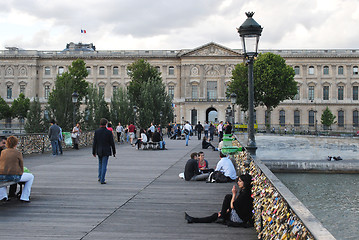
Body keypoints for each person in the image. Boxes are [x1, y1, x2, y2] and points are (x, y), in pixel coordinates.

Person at [185, 174, 254, 227]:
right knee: (217, 213)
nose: (238, 183)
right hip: (240, 215)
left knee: (228, 198)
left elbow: (233, 206)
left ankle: (194, 219)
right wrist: (227, 210)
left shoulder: (245, 194)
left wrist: (234, 194)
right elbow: (237, 205)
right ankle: (194, 219)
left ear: (245, 182)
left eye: (240, 181)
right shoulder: (245, 191)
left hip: (238, 219)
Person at [0, 136, 34, 202]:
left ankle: (3, 196)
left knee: (3, 180)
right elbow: (21, 166)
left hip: (1, 175)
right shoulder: (18, 153)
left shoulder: (2, 152)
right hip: (14, 176)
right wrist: (20, 173)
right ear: (16, 144)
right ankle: (25, 197)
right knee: (31, 177)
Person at [92, 118, 116, 184]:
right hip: (106, 150)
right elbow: (112, 143)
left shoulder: (97, 131)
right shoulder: (108, 132)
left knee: (100, 164)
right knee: (104, 165)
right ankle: (102, 179)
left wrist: (93, 152)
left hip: (99, 150)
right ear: (106, 124)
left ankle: (100, 177)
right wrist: (114, 151)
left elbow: (95, 142)